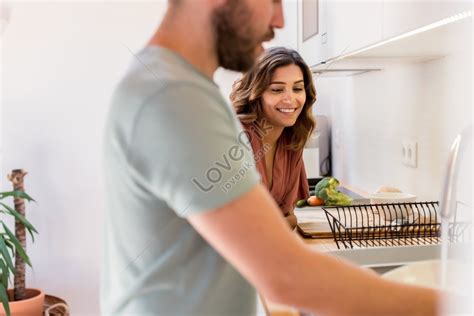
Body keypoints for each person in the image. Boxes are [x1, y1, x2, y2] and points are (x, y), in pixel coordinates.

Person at [102, 0, 440, 315]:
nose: (279, 19)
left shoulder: (175, 88)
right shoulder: (176, 96)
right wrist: (453, 305)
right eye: (274, 0)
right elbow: (286, 276)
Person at [231, 47, 315, 229]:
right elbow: (233, 226)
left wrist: (277, 224)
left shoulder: (291, 141)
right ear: (256, 94)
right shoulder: (234, 137)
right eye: (277, 90)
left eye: (298, 88)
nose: (290, 98)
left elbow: (289, 216)